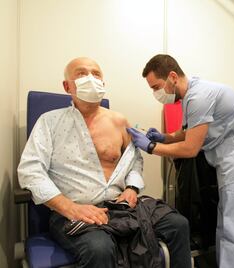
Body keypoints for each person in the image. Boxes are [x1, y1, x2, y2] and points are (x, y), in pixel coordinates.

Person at [18, 57, 192, 268]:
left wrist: (131, 188)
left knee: (178, 224)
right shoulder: (49, 122)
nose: (91, 78)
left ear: (103, 83)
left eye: (96, 74)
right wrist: (70, 207)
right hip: (74, 210)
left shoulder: (119, 121)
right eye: (82, 74)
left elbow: (134, 160)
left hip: (121, 207)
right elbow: (31, 170)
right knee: (99, 247)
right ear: (67, 86)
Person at [127, 54, 234, 268]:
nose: (155, 93)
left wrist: (150, 147)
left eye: (156, 87)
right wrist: (164, 137)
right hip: (230, 162)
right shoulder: (190, 96)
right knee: (225, 222)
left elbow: (190, 148)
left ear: (172, 76)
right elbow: (189, 132)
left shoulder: (199, 97)